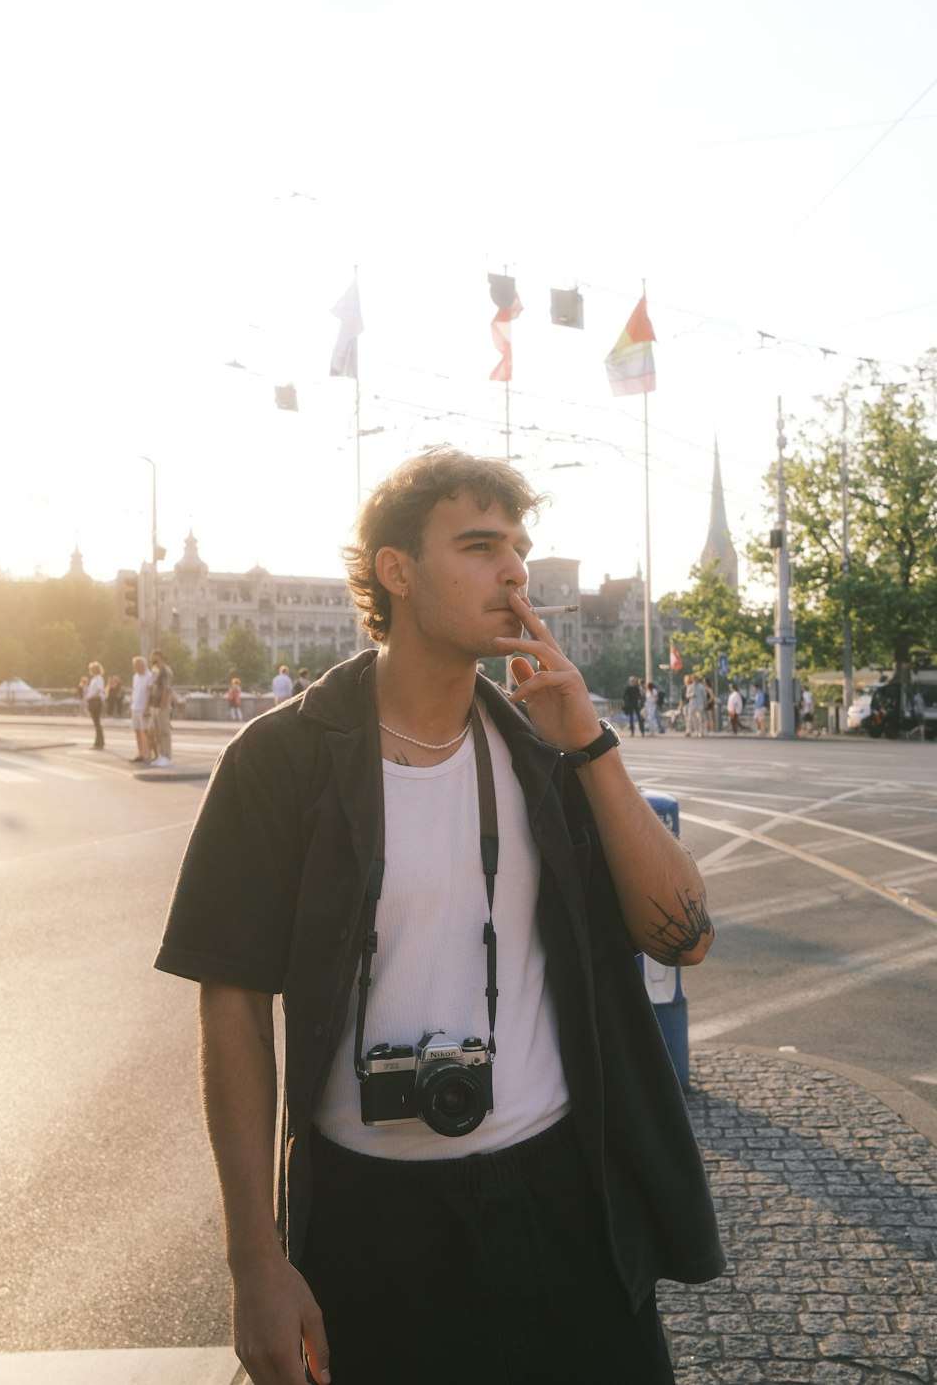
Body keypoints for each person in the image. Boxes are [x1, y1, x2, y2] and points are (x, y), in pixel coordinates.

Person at [155, 448, 722, 1385]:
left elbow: (687, 937)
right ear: (397, 570)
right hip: (367, 1222)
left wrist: (589, 739)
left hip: (561, 1198)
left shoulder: (545, 754)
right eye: (479, 545)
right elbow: (233, 1010)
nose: (514, 571)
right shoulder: (280, 762)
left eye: (519, 547)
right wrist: (254, 1259)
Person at [150, 648, 174, 767]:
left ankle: (167, 756)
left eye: (156, 660)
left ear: (162, 659)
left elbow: (166, 689)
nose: (154, 662)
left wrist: (162, 705)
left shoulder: (165, 671)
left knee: (164, 732)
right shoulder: (156, 671)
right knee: (157, 732)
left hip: (161, 706)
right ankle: (161, 755)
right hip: (155, 705)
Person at [85, 661, 106, 749]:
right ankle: (99, 741)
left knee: (97, 722)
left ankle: (99, 743)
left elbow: (99, 690)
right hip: (92, 700)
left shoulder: (99, 678)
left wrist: (90, 697)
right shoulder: (94, 679)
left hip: (96, 701)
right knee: (96, 723)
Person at [687, 673, 707, 738]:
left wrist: (705, 703)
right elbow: (687, 695)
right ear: (692, 680)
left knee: (700, 719)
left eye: (696, 679)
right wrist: (691, 695)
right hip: (692, 704)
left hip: (700, 704)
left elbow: (704, 696)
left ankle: (700, 732)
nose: (695, 680)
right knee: (690, 718)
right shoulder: (690, 686)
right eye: (694, 679)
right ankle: (689, 731)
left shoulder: (701, 687)